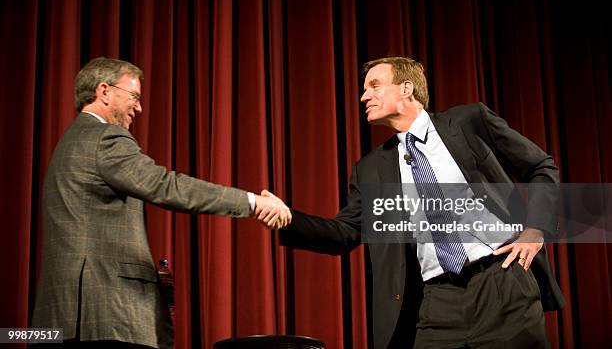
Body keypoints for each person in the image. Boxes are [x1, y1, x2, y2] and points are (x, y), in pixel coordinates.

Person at [264, 57, 564, 348]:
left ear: (406, 88)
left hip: (501, 281)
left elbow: (541, 167)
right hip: (436, 302)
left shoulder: (469, 121)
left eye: (374, 86)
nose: (363, 96)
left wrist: (535, 230)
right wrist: (289, 217)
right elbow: (345, 232)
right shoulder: (371, 169)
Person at [31, 57, 290, 348]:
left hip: (60, 319)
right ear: (104, 91)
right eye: (134, 97)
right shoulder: (104, 137)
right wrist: (252, 202)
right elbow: (165, 185)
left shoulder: (70, 141)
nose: (139, 107)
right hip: (106, 314)